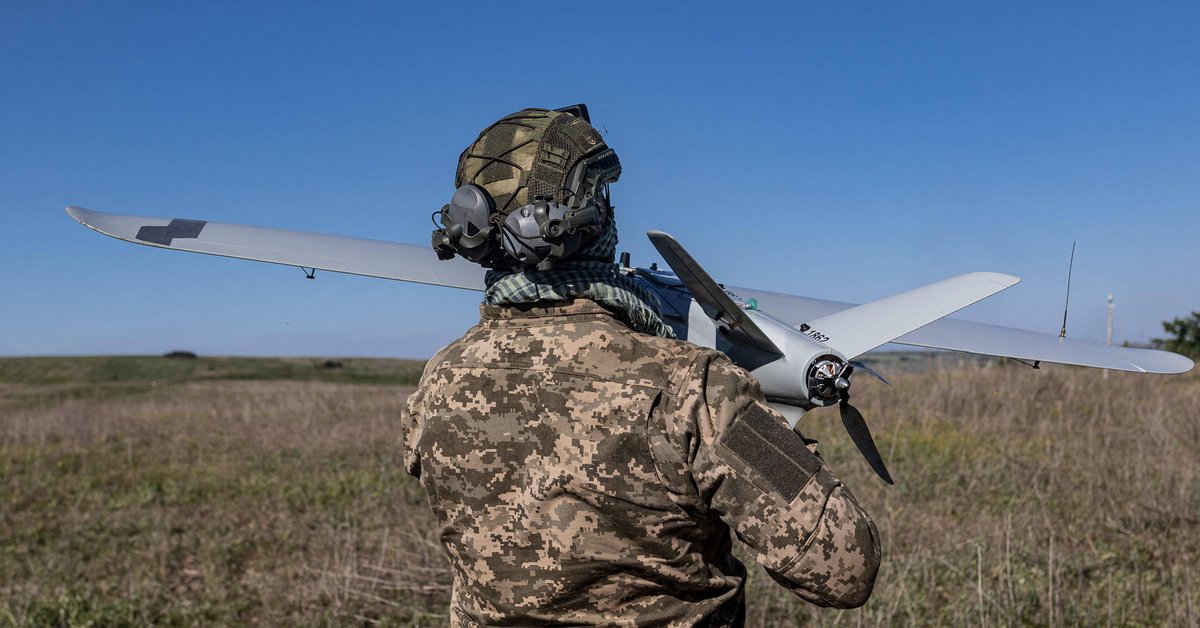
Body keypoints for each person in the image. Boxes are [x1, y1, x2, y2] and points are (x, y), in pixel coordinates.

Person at [403, 105, 880, 626]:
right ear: (590, 221)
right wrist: (769, 435)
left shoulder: (440, 378)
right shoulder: (694, 389)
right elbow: (846, 568)